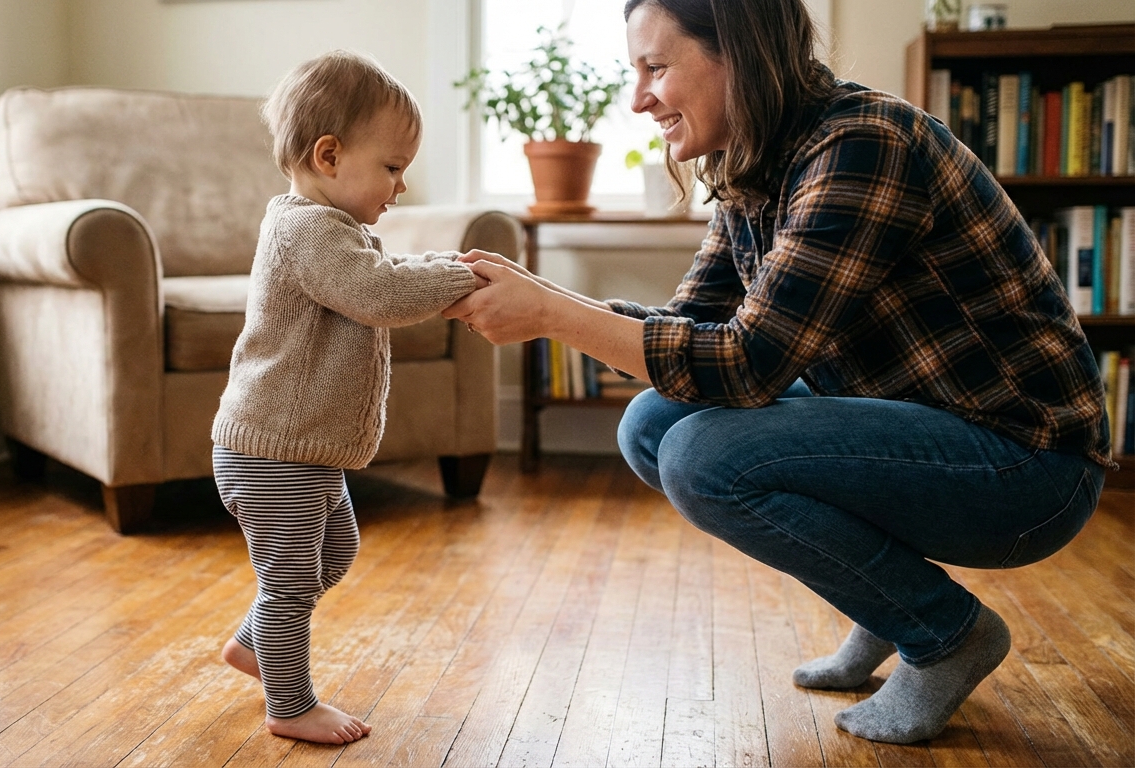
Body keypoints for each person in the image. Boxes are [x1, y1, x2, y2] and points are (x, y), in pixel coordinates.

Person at [444, 0, 1110, 745]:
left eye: (655, 68)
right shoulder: (751, 161)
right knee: (653, 425)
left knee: (703, 458)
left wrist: (553, 317)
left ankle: (945, 634)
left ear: (740, 52)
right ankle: (888, 605)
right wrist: (543, 296)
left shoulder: (863, 142)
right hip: (919, 423)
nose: (638, 100)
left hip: (1027, 466)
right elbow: (691, 324)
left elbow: (744, 365)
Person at [212, 50, 490, 744]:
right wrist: (456, 276)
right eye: (393, 167)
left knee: (334, 554)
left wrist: (440, 270)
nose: (401, 185)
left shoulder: (332, 230)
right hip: (272, 451)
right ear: (329, 156)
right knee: (290, 583)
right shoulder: (307, 230)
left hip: (301, 448)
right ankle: (290, 704)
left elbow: (378, 273)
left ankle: (252, 646)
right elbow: (379, 293)